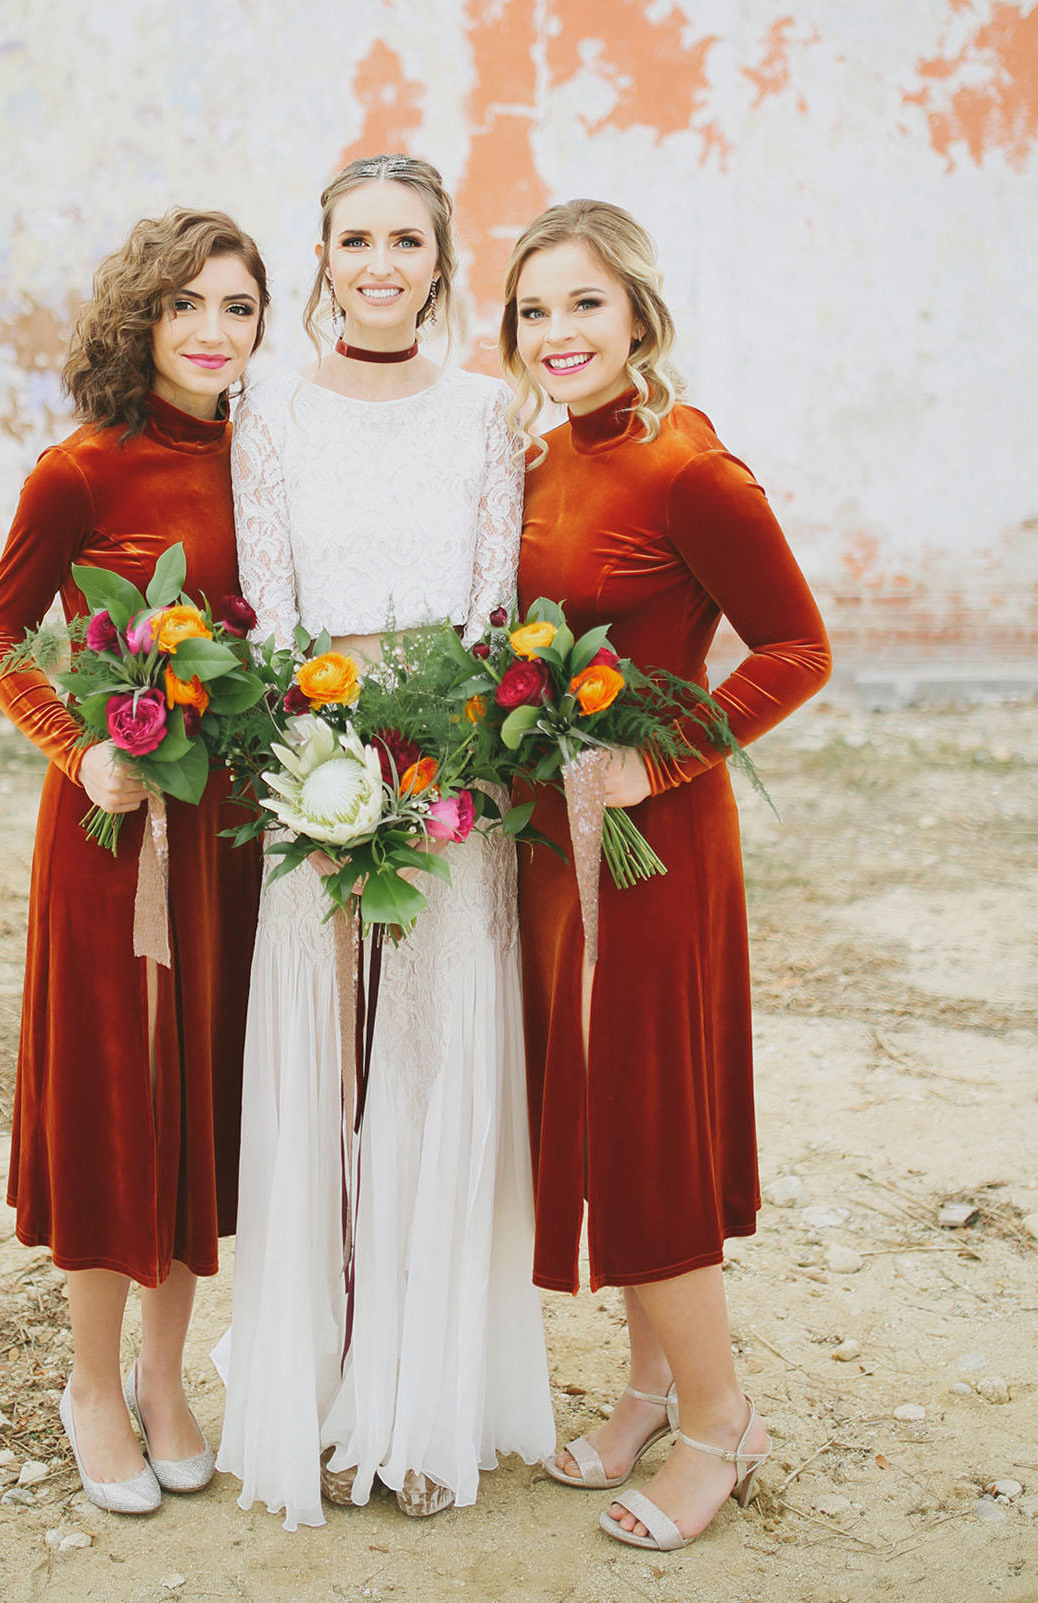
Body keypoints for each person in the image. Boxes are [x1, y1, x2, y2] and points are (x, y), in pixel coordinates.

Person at [215, 154, 554, 1531]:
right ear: (324, 257)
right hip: (317, 763)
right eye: (355, 238)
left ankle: (428, 1407)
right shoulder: (269, 410)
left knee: (431, 1057)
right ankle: (325, 1382)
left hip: (455, 774)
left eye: (405, 240)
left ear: (439, 261)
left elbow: (491, 598)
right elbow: (270, 599)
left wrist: (443, 765)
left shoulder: (491, 412)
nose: (379, 262)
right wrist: (328, 771)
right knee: (326, 1071)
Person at [501, 200, 831, 1552]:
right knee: (592, 1112)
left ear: (637, 312)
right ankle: (644, 1387)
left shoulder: (692, 469)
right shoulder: (542, 459)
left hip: (647, 845)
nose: (558, 333)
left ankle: (719, 1422)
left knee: (644, 1129)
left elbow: (794, 650)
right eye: (533, 311)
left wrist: (659, 758)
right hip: (548, 842)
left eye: (584, 305)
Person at [0, 210, 269, 1514]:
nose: (212, 332)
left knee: (198, 1096)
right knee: (113, 1100)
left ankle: (165, 1375)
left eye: (239, 308)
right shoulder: (78, 469)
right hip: (110, 830)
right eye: (186, 306)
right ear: (140, 321)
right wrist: (75, 745)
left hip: (233, 835)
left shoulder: (271, 464)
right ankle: (90, 1381)